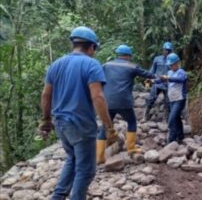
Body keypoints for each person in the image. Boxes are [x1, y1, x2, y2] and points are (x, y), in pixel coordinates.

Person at [38, 26, 118, 200]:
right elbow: (98, 97)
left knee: (73, 158)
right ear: (92, 47)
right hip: (80, 124)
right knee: (86, 170)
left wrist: (45, 119)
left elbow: (46, 94)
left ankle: (57, 197)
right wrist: (109, 128)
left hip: (61, 124)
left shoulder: (56, 64)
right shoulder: (91, 64)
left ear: (74, 44)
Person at [97, 44, 156, 163]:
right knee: (132, 122)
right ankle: (131, 148)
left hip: (107, 101)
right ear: (129, 56)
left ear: (117, 54)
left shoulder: (106, 65)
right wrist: (160, 77)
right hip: (124, 101)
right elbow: (148, 74)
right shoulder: (132, 66)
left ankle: (100, 157)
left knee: (105, 127)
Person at [160, 53, 188, 143]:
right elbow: (165, 82)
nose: (171, 66)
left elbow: (181, 79)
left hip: (180, 99)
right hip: (172, 99)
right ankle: (180, 136)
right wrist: (154, 81)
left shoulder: (181, 72)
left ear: (177, 63)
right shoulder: (169, 72)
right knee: (176, 118)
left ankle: (171, 140)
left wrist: (168, 78)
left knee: (171, 119)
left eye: (172, 65)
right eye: (170, 65)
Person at [144, 42, 173, 121]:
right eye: (165, 50)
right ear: (163, 50)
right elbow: (152, 71)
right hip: (157, 83)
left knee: (168, 102)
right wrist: (148, 82)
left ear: (171, 51)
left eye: (168, 50)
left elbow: (174, 73)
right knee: (151, 99)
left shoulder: (172, 60)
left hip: (167, 84)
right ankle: (146, 116)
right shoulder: (157, 59)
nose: (166, 52)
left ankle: (167, 119)